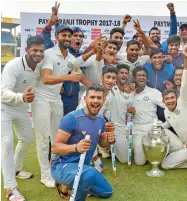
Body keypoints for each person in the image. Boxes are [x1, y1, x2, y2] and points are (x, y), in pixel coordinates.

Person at [31, 25, 98, 188]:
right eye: (64, 35)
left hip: (56, 100)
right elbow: (46, 78)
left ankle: (56, 169)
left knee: (57, 137)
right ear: (57, 36)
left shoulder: (68, 57)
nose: (67, 38)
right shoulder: (48, 54)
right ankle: (45, 174)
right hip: (41, 99)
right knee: (42, 138)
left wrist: (93, 50)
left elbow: (77, 62)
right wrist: (68, 78)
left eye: (70, 35)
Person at [51, 84, 114, 201]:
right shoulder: (71, 118)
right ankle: (65, 184)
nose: (95, 101)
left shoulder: (100, 120)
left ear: (103, 100)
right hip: (61, 166)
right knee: (88, 174)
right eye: (92, 97)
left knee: (106, 192)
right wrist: (76, 147)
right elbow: (55, 147)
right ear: (85, 99)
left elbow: (102, 144)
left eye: (99, 98)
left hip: (84, 167)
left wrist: (109, 140)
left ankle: (70, 184)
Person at [1, 36, 44, 201]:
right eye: (34, 50)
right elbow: (3, 92)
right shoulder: (14, 66)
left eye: (41, 50)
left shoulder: (39, 66)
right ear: (26, 50)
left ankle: (16, 168)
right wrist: (21, 97)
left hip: (21, 107)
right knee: (6, 143)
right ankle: (10, 189)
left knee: (26, 138)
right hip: (4, 107)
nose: (38, 53)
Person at [41, 2, 93, 115]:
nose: (70, 38)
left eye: (80, 36)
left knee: (70, 128)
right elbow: (47, 37)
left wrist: (101, 89)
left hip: (73, 98)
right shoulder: (52, 51)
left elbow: (81, 76)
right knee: (55, 128)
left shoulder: (74, 56)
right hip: (58, 96)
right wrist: (52, 23)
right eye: (75, 35)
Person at [131, 67, 166, 165]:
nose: (141, 77)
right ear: (134, 78)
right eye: (139, 75)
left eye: (144, 75)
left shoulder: (153, 92)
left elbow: (167, 105)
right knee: (139, 162)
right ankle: (145, 151)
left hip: (152, 127)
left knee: (157, 158)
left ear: (146, 78)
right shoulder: (129, 93)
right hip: (137, 128)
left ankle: (152, 150)